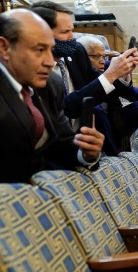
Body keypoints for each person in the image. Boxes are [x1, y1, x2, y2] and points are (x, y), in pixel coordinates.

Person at [0, 9, 104, 183]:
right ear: (4, 48)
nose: (49, 62)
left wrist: (86, 152)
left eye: (50, 50)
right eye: (39, 50)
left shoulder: (51, 84)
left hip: (43, 195)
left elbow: (62, 144)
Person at [31, 1, 138, 132]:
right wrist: (110, 74)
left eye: (72, 30)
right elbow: (67, 108)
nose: (72, 37)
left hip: (83, 132)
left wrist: (121, 73)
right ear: (42, 34)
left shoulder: (77, 51)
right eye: (65, 31)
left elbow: (100, 88)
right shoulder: (33, 66)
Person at [77, 36, 138, 155]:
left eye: (104, 56)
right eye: (96, 56)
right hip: (92, 119)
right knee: (96, 111)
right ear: (82, 56)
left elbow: (129, 92)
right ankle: (114, 157)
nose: (102, 60)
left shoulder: (107, 66)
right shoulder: (75, 70)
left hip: (114, 117)